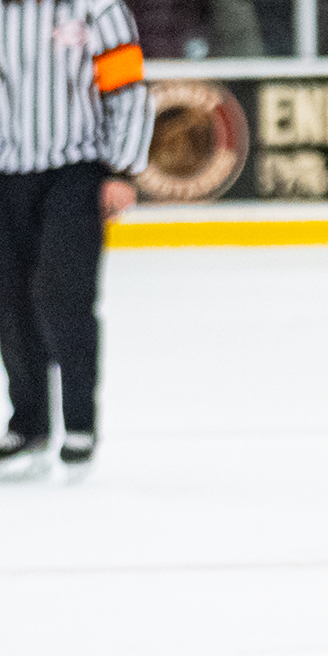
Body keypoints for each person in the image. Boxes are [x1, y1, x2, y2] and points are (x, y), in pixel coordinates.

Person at [0, 0, 152, 483]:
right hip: (3, 175)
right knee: (8, 300)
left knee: (62, 295)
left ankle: (80, 424)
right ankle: (29, 426)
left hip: (75, 171)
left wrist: (122, 168)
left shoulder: (96, 8)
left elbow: (127, 88)